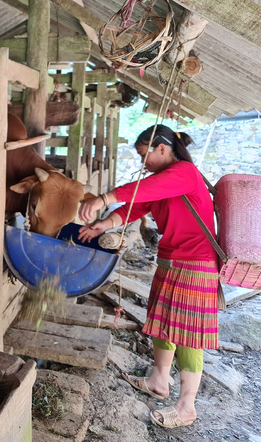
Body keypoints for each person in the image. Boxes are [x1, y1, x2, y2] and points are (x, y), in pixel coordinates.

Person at [78, 125, 218, 429]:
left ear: (162, 149)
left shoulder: (185, 173)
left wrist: (102, 198)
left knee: (188, 335)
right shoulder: (159, 182)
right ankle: (158, 380)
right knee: (162, 323)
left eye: (145, 155)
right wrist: (103, 225)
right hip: (171, 259)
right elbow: (134, 207)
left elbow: (143, 191)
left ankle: (186, 407)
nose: (144, 163)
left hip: (196, 263)